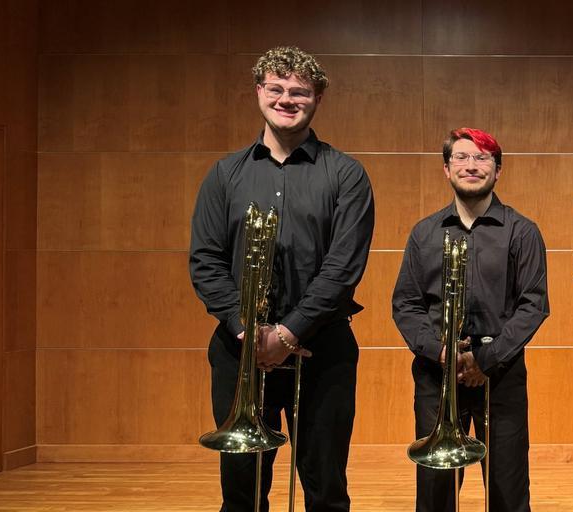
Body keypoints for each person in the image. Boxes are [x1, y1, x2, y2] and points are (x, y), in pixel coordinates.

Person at [190, 46, 375, 512]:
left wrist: (287, 333)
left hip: (322, 348)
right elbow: (206, 261)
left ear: (317, 99)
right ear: (259, 92)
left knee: (325, 486)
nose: (286, 99)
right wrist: (248, 331)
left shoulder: (346, 174)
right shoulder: (225, 174)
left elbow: (343, 268)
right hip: (240, 350)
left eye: (300, 92)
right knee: (242, 491)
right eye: (276, 89)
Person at [393, 128, 550, 512]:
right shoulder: (423, 233)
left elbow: (533, 304)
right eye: (461, 158)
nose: (472, 165)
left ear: (498, 170)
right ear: (446, 170)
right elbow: (406, 304)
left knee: (508, 487)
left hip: (502, 372)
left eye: (483, 158)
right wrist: (440, 352)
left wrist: (485, 360)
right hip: (436, 372)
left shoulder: (522, 231)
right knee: (435, 489)